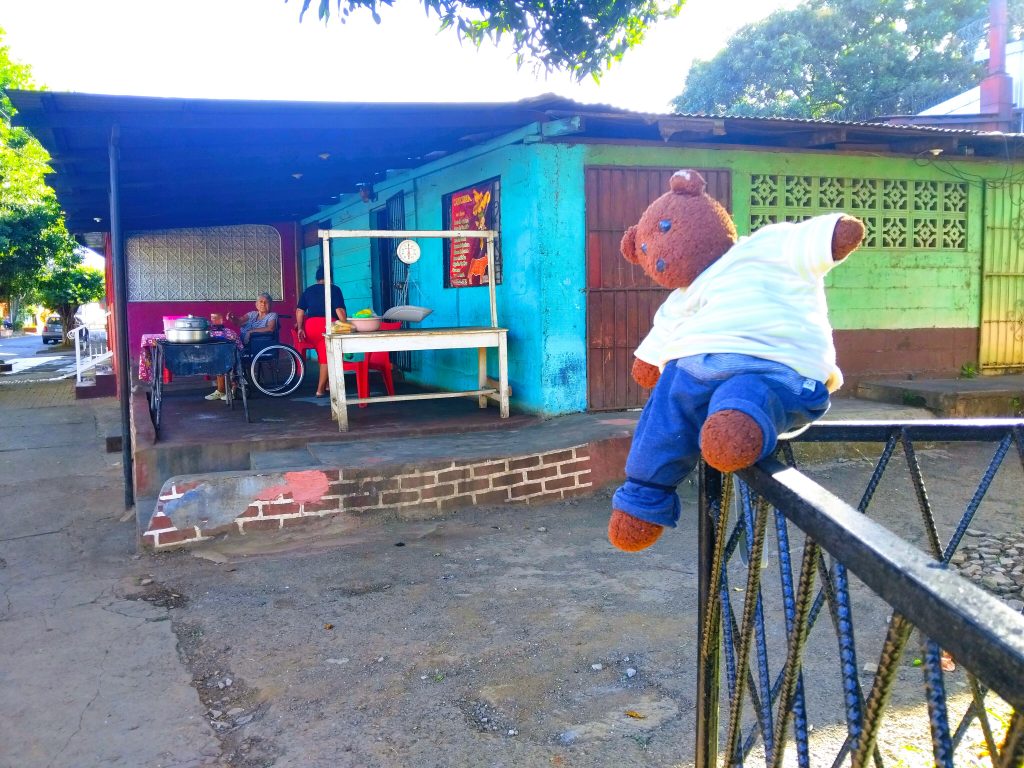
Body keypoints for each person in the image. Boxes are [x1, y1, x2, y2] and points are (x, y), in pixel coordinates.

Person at [205, 293, 278, 401]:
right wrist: (232, 318)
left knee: (229, 356)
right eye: (260, 302)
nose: (263, 304)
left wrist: (251, 331)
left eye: (266, 302)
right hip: (242, 345)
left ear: (271, 304)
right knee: (222, 354)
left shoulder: (272, 315)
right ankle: (222, 390)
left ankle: (234, 389)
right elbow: (239, 322)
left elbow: (270, 328)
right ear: (256, 304)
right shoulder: (252, 314)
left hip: (256, 347)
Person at [295, 265, 346, 397]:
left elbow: (300, 311)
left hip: (310, 327)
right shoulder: (334, 289)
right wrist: (346, 326)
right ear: (330, 278)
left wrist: (300, 328)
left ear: (317, 278)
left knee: (322, 353)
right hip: (327, 325)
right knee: (327, 358)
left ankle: (328, 384)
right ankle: (320, 389)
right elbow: (339, 310)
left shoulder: (308, 290)